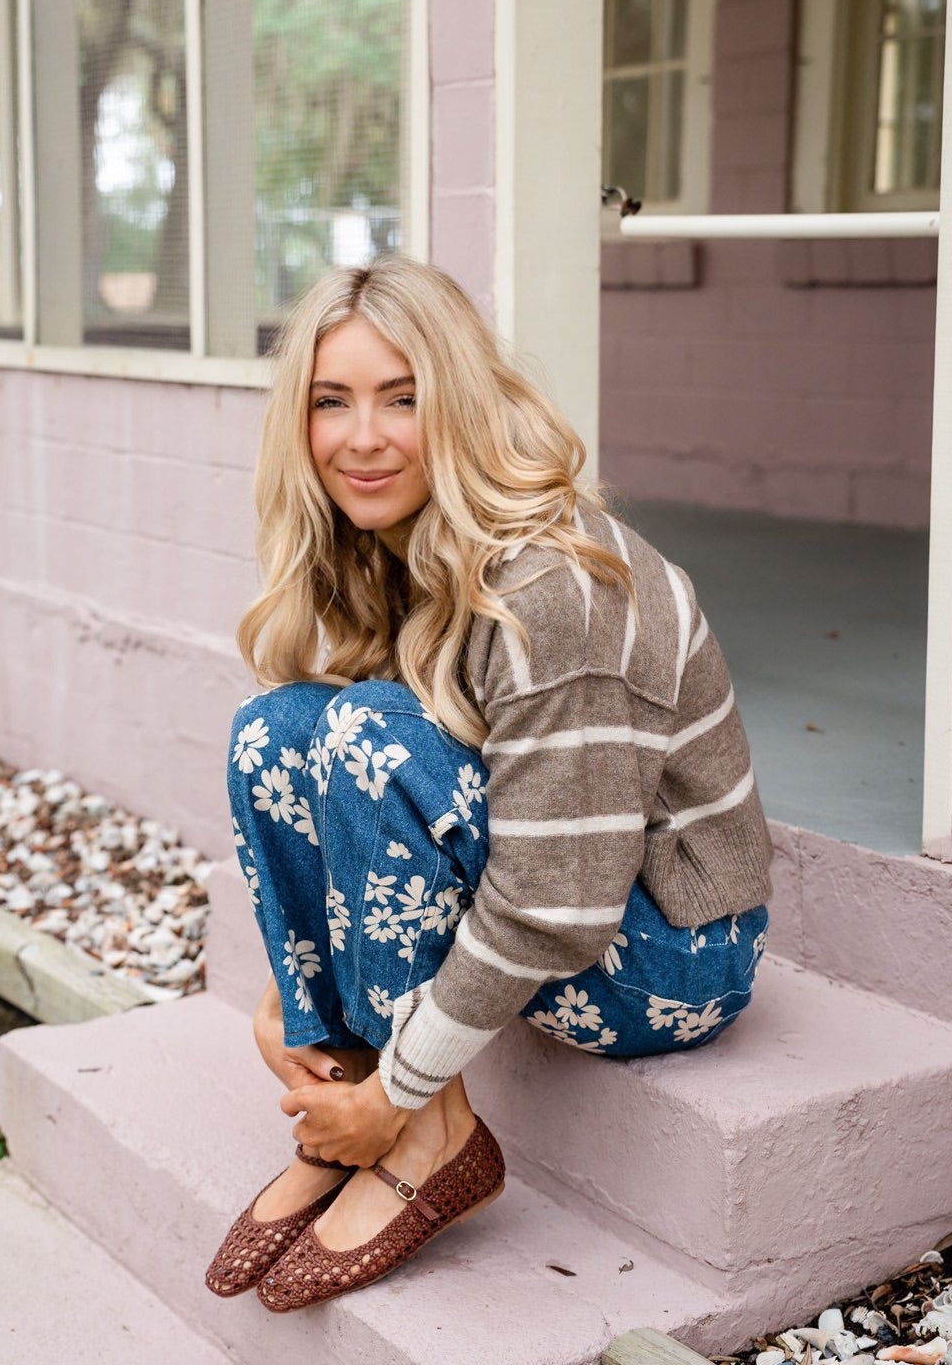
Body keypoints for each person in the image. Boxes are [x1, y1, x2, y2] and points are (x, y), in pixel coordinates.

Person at [205, 257, 774, 1311]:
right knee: (276, 728)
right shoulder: (407, 537)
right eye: (332, 401)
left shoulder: (556, 585)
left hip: (666, 954)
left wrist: (404, 1084)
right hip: (570, 895)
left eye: (403, 397)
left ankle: (427, 1131)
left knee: (369, 731)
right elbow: (374, 795)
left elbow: (558, 905)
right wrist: (304, 984)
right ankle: (339, 1074)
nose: (362, 436)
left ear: (460, 401)